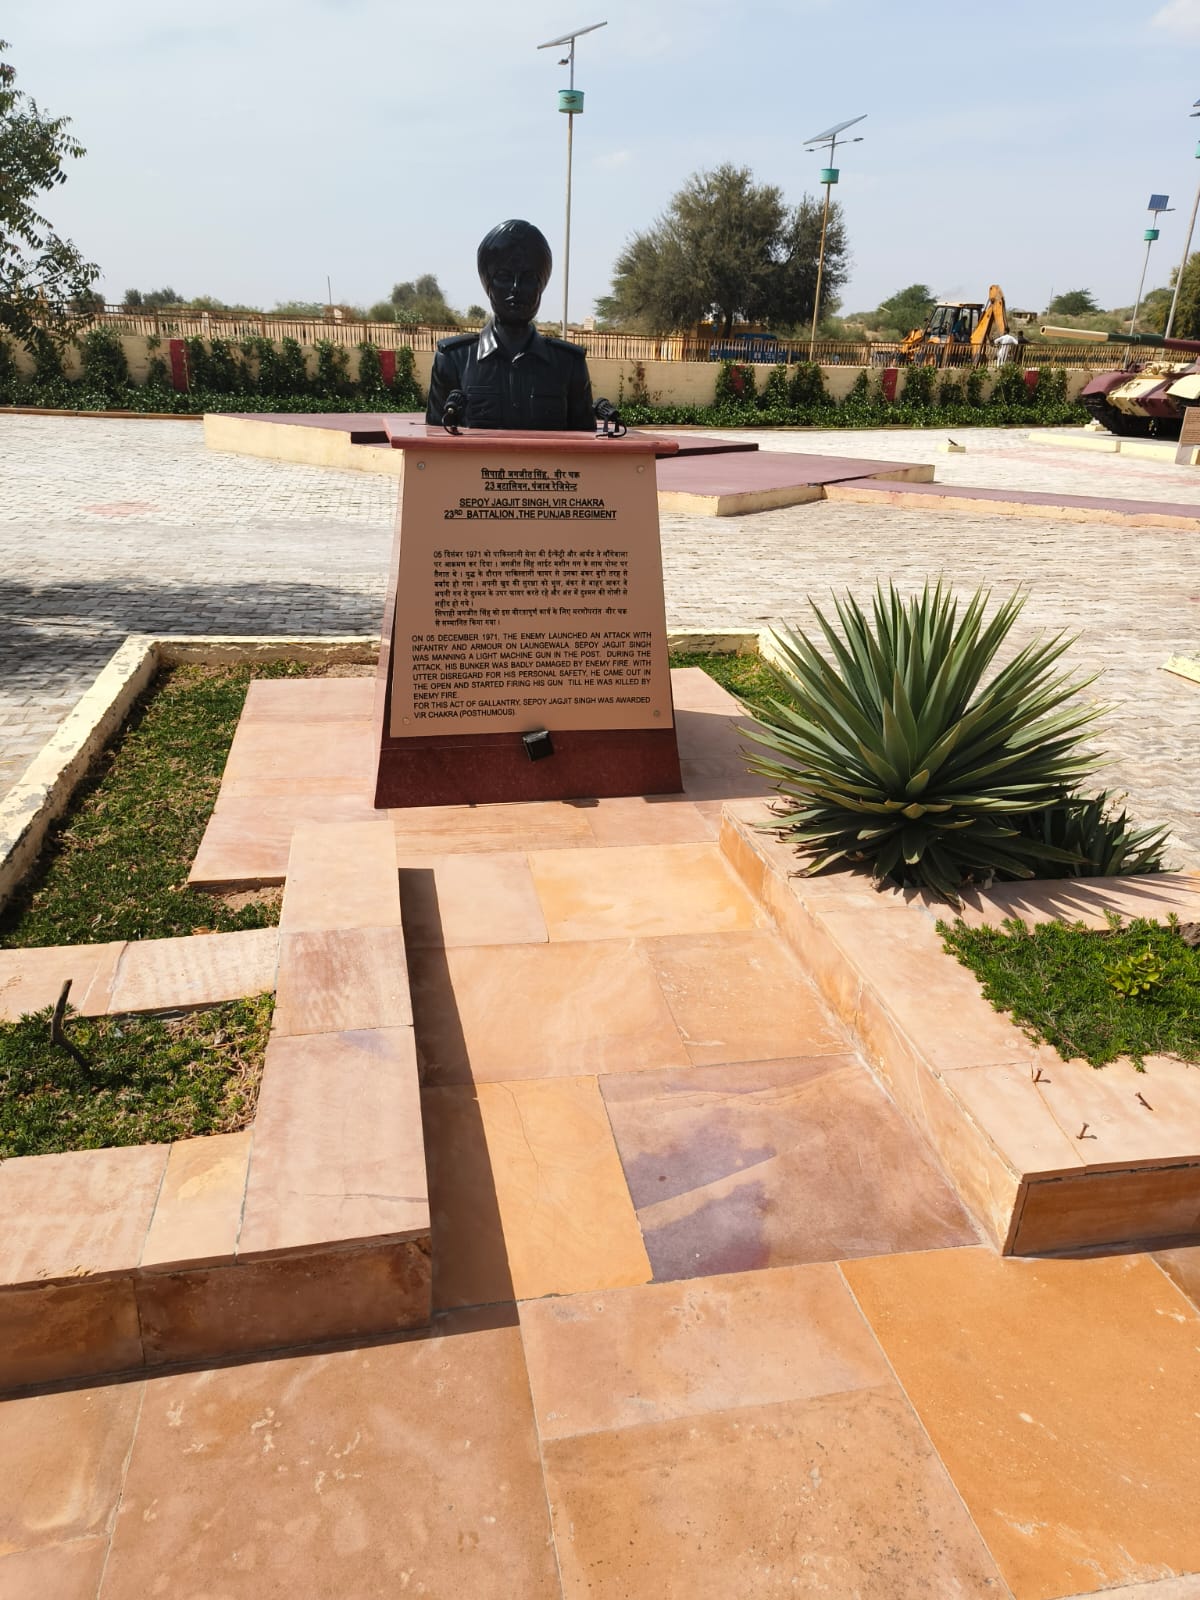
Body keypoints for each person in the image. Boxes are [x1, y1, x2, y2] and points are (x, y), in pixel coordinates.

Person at [425, 219, 595, 430]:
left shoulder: (569, 363)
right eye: (504, 277)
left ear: (541, 286)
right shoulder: (454, 359)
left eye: (528, 278)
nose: (515, 288)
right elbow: (435, 437)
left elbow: (586, 440)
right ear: (488, 284)